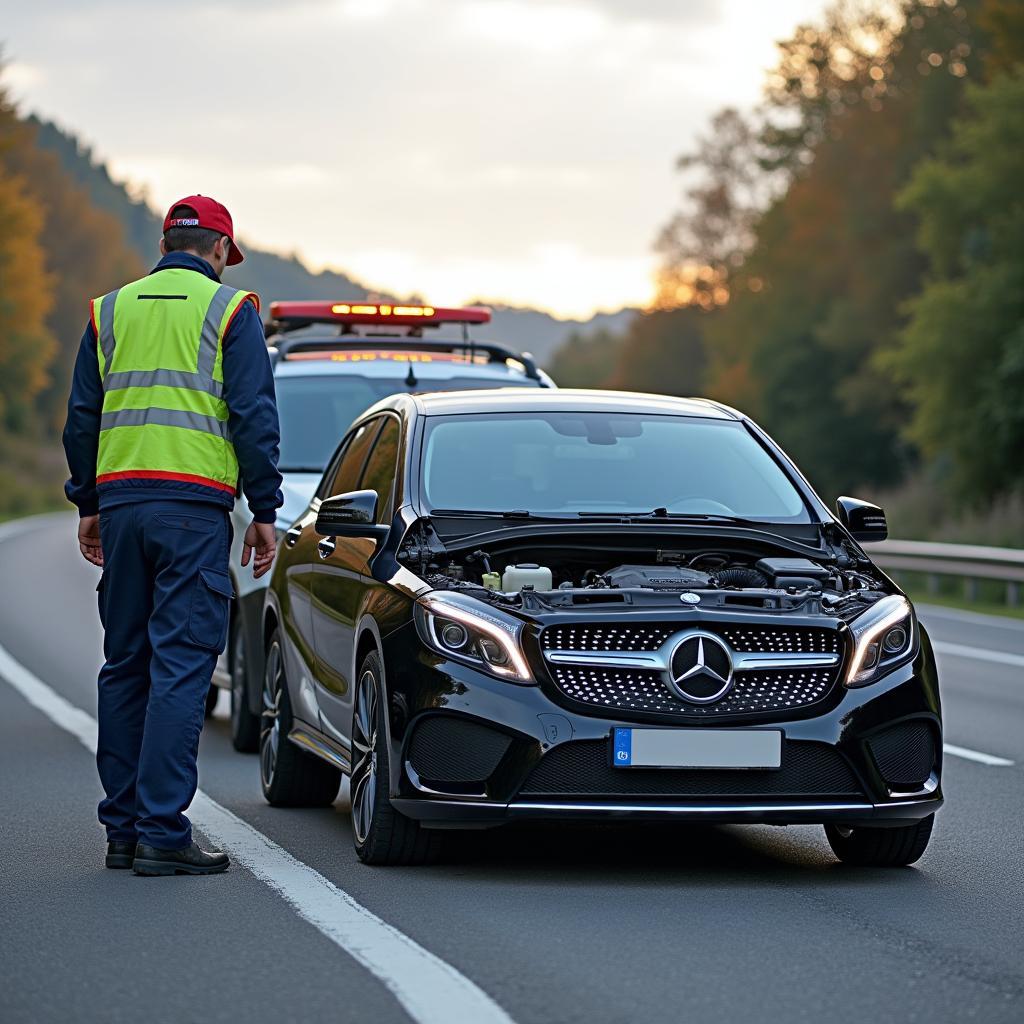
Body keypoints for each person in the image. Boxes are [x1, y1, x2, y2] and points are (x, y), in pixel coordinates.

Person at [63, 194, 283, 876]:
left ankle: (123, 831)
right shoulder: (231, 312)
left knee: (125, 664)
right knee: (182, 665)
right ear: (219, 249)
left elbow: (81, 417)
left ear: (166, 244)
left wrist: (88, 502)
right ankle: (162, 832)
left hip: (124, 506)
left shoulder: (111, 310)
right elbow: (251, 415)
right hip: (192, 512)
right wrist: (266, 510)